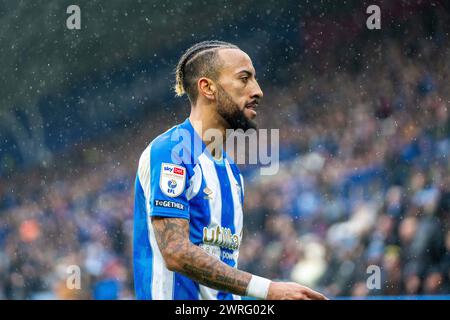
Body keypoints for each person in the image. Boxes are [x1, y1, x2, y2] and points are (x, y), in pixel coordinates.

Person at [133, 40, 327, 300]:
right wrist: (268, 290)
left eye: (254, 79)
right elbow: (175, 252)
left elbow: (219, 283)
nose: (257, 91)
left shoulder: (232, 174)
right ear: (208, 87)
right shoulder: (172, 152)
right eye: (244, 78)